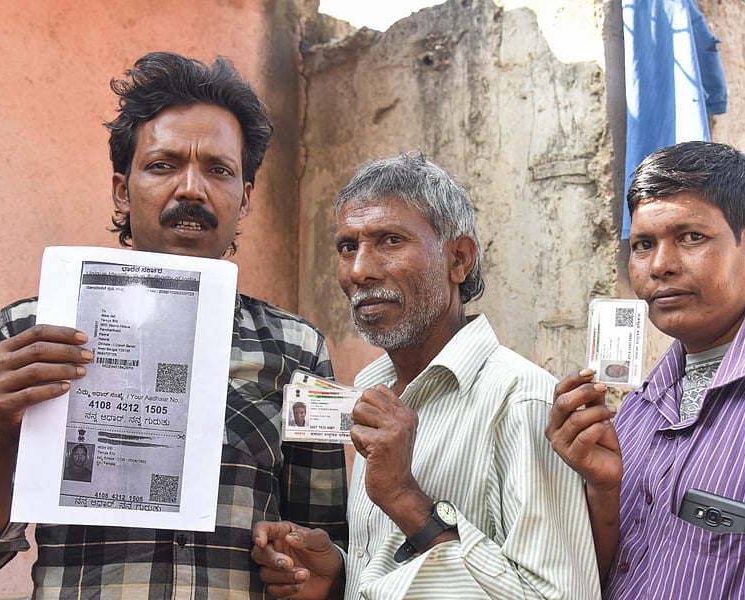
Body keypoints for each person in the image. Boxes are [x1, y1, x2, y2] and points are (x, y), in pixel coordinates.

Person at [0, 51, 348, 597]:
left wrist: (301, 558)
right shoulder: (26, 331)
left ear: (245, 197)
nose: (192, 188)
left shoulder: (302, 350)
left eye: (219, 169)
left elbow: (329, 540)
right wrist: (1, 428)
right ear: (123, 189)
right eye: (163, 165)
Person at [252, 151, 601, 599]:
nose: (359, 270)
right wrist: (339, 579)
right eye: (347, 247)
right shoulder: (371, 391)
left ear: (459, 259)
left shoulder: (522, 400)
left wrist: (405, 498)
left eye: (390, 241)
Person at [546, 141, 745, 599]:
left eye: (691, 237)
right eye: (643, 244)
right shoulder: (637, 408)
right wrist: (602, 490)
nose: (660, 266)